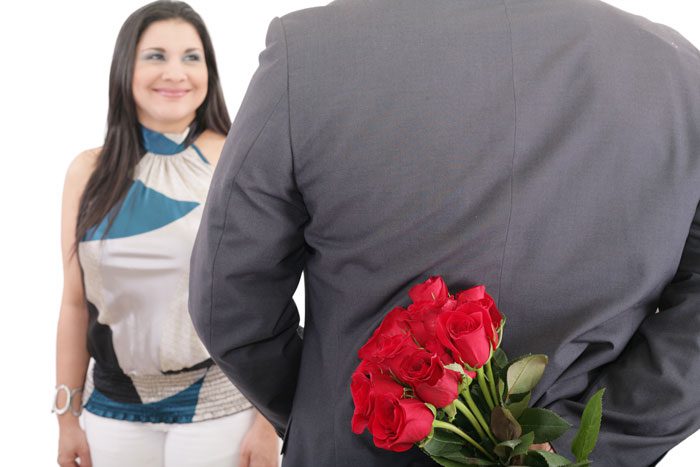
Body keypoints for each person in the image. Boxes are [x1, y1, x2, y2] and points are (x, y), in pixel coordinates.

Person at [188, 0, 700, 466]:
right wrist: (587, 446)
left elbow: (228, 302)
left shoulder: (309, 51)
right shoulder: (679, 69)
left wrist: (335, 414)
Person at [54, 2, 280, 466]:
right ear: (126, 68)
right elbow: (75, 303)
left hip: (221, 412)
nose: (175, 72)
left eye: (191, 57)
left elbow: (267, 296)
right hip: (112, 413)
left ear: (209, 71)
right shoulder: (87, 171)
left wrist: (267, 421)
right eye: (156, 55)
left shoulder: (235, 159)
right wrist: (66, 417)